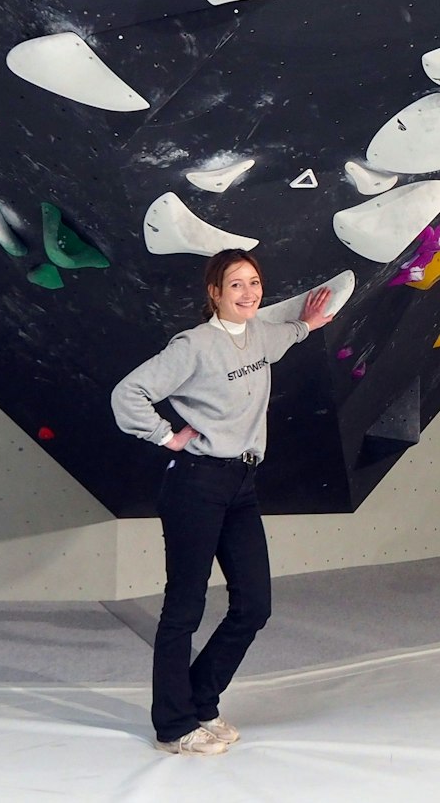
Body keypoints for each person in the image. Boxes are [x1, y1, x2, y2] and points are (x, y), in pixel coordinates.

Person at [111, 250, 336, 755]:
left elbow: (286, 338)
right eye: (236, 285)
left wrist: (309, 324)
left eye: (254, 283)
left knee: (254, 606)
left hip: (241, 485)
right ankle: (173, 725)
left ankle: (200, 702)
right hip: (196, 483)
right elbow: (128, 393)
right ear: (214, 292)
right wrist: (166, 436)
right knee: (183, 610)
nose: (249, 293)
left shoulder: (259, 334)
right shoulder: (193, 345)